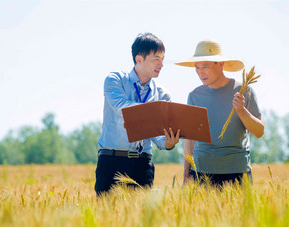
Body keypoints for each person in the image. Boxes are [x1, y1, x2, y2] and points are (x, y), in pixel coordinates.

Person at [95, 33, 180, 196]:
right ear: (139, 59)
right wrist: (155, 112)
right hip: (112, 161)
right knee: (107, 219)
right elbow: (123, 108)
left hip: (143, 164)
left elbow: (159, 137)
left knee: (141, 219)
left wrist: (169, 143)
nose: (161, 64)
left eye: (163, 59)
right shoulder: (115, 80)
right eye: (156, 59)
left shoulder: (162, 95)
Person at [175, 39, 264, 187]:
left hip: (238, 173)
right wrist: (186, 175)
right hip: (201, 173)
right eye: (196, 67)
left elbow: (259, 131)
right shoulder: (194, 96)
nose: (200, 72)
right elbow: (190, 140)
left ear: (221, 64)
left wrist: (241, 111)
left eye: (205, 66)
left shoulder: (243, 91)